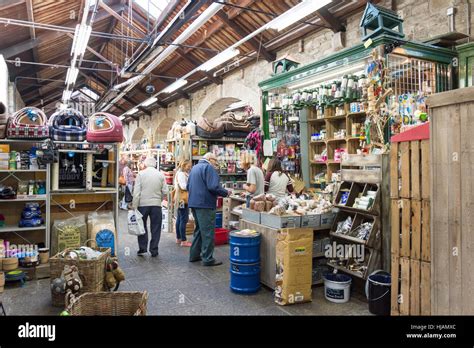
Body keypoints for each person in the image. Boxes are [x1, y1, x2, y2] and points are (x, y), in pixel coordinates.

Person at [187, 153, 230, 266]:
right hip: (205, 204)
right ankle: (208, 258)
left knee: (199, 231)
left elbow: (188, 186)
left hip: (194, 203)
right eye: (215, 161)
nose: (216, 164)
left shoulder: (194, 168)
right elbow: (213, 186)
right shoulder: (208, 168)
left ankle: (194, 255)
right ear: (210, 159)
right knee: (207, 232)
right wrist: (226, 192)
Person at [132, 157, 169, 257]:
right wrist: (159, 199)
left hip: (142, 205)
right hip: (156, 205)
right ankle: (154, 250)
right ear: (155, 164)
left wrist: (134, 206)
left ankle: (142, 248)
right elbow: (165, 191)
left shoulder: (141, 174)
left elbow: (136, 193)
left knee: (141, 226)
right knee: (156, 228)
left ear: (146, 164)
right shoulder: (160, 175)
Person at [174, 159, 192, 247]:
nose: (189, 168)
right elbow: (183, 186)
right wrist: (191, 185)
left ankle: (179, 238)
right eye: (188, 166)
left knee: (179, 218)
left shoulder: (180, 173)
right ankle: (183, 240)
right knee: (183, 219)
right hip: (183, 199)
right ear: (184, 166)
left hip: (180, 198)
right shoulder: (181, 174)